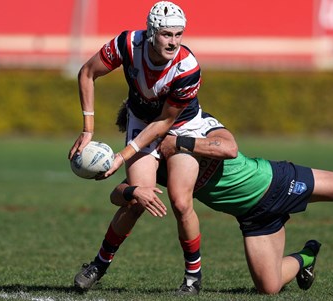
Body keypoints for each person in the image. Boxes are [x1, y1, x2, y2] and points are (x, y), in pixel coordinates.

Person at [76, 113, 333, 295]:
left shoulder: (197, 124)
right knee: (269, 287)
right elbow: (117, 194)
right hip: (252, 217)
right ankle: (306, 257)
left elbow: (228, 146)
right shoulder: (152, 160)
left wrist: (182, 143)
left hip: (276, 182)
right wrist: (133, 193)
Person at [68, 1, 215, 294]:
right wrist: (87, 129)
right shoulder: (127, 43)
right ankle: (99, 264)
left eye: (178, 34)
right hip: (140, 119)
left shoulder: (187, 68)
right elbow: (87, 73)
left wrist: (122, 156)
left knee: (181, 202)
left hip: (180, 128)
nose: (173, 41)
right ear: (151, 32)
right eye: (166, 34)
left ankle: (193, 276)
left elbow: (164, 123)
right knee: (135, 201)